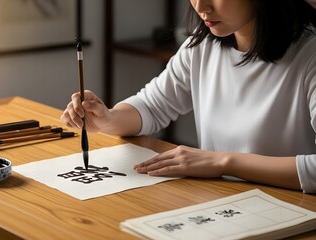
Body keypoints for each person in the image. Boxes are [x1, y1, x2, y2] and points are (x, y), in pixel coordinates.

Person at [61, 0, 316, 193]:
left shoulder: (309, 55)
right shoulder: (202, 46)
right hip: (223, 202)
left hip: (292, 210)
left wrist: (224, 162)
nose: (201, 6)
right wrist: (107, 118)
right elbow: (153, 105)